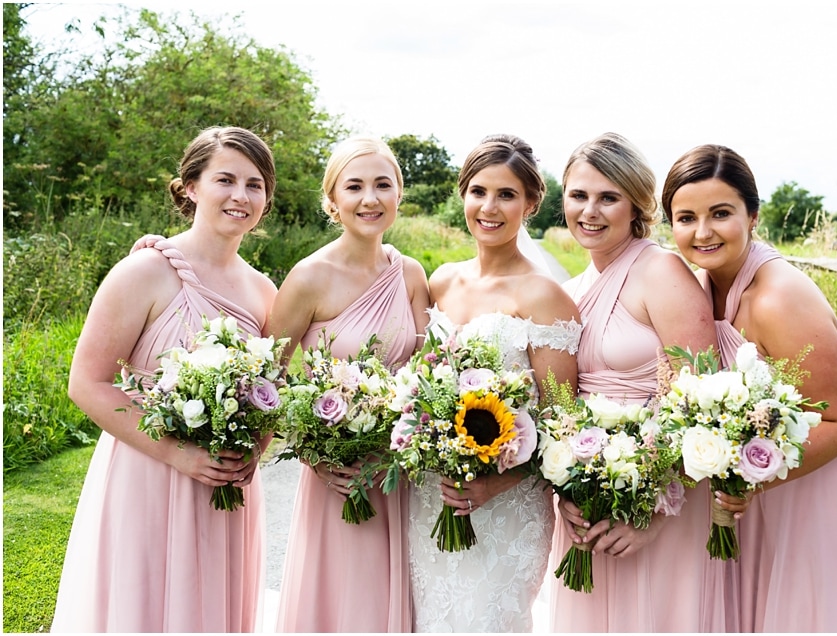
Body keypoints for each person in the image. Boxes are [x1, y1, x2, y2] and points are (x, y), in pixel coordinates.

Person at [662, 143, 837, 632]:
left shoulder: (778, 296)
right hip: (763, 489)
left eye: (720, 213)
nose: (703, 231)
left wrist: (750, 480)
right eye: (686, 217)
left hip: (817, 489)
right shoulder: (701, 284)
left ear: (752, 215)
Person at [52, 126, 278, 632]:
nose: (241, 196)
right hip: (150, 476)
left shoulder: (265, 291)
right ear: (191, 186)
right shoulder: (144, 273)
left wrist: (252, 450)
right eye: (226, 179)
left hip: (226, 486)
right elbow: (87, 382)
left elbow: (272, 392)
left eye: (255, 184)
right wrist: (178, 454)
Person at [547, 132, 739, 632]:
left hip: (659, 508)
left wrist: (651, 515)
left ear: (636, 204)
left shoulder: (662, 273)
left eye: (608, 197)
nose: (590, 210)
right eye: (578, 195)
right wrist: (568, 484)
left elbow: (700, 401)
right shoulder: (572, 288)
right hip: (591, 502)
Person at [409, 134, 582, 632]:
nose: (489, 207)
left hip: (506, 504)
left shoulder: (545, 297)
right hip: (432, 496)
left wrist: (495, 484)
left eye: (506, 194)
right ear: (462, 194)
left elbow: (560, 420)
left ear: (530, 203)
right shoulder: (440, 281)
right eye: (478, 191)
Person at [265, 136, 429, 632]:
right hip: (338, 478)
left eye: (383, 185)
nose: (370, 198)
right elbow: (264, 382)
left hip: (401, 476)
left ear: (399, 195)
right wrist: (315, 454)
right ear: (332, 200)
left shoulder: (411, 275)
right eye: (354, 186)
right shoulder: (309, 277)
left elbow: (427, 373)